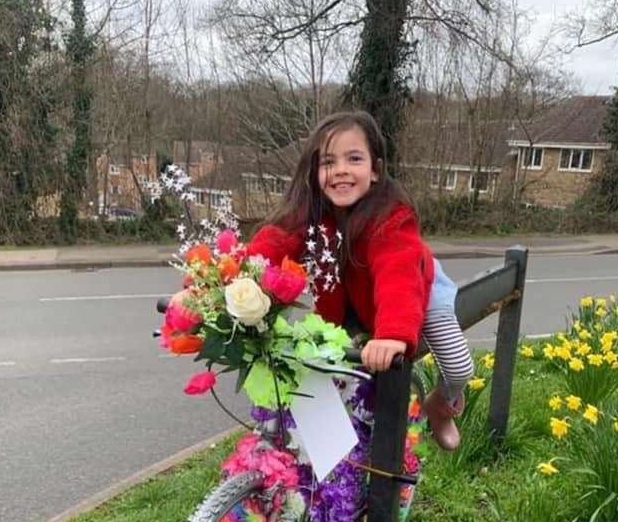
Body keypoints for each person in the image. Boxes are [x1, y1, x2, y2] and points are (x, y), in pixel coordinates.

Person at [178, 110, 474, 449]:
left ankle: (441, 404)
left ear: (375, 170)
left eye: (354, 158)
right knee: (323, 367)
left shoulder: (392, 217)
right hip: (352, 293)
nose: (341, 170)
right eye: (328, 162)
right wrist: (209, 293)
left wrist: (392, 334)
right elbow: (269, 246)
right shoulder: (312, 212)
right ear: (315, 171)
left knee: (458, 363)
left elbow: (397, 275)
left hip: (415, 287)